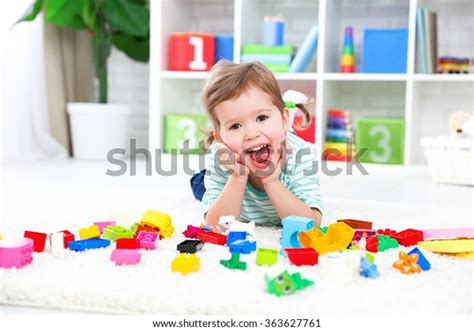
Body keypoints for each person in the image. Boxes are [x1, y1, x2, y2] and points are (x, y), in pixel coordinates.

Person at [191, 61, 323, 228]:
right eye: (235, 126)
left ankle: (285, 109)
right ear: (220, 139)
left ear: (284, 119)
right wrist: (238, 177)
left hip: (282, 139)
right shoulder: (221, 159)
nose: (251, 134)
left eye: (261, 118)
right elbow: (216, 227)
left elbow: (312, 224)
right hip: (232, 168)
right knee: (197, 184)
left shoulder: (301, 154)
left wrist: (271, 181)